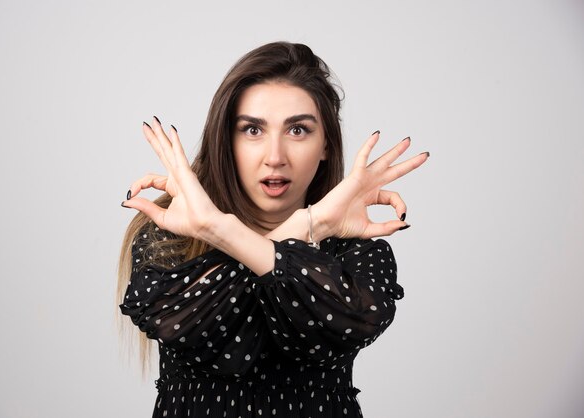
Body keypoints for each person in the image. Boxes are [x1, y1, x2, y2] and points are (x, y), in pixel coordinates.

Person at [117, 41, 429, 418]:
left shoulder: (356, 249)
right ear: (226, 141)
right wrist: (304, 227)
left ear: (326, 145)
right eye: (252, 130)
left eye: (298, 130)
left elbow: (354, 322)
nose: (275, 156)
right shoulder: (169, 236)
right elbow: (185, 328)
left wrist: (219, 227)